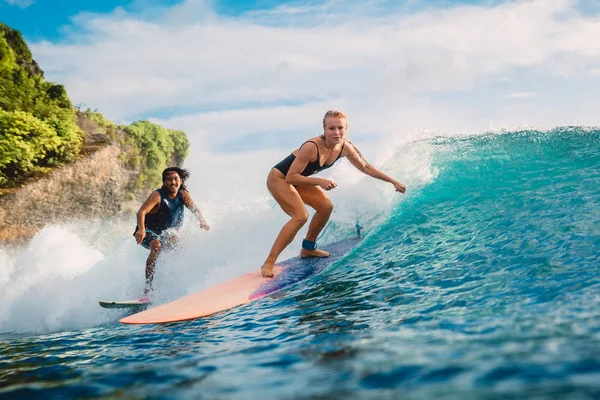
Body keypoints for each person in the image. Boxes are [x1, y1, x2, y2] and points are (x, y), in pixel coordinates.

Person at [261, 110, 406, 278]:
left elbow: (366, 167)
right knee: (300, 216)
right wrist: (319, 181)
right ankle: (269, 262)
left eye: (340, 128)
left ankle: (308, 248)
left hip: (298, 179)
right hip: (279, 178)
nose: (336, 132)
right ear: (324, 129)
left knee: (326, 206)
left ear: (346, 129)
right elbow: (290, 177)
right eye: (331, 128)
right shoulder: (311, 147)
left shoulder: (345, 148)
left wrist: (393, 181)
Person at [134, 167, 210, 295]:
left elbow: (194, 209)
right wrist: (141, 230)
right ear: (164, 182)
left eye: (176, 179)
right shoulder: (157, 196)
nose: (173, 182)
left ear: (180, 180)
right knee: (156, 246)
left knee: (177, 246)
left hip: (167, 232)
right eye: (169, 179)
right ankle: (148, 287)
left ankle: (170, 282)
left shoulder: (183, 194)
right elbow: (141, 212)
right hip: (147, 231)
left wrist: (202, 221)